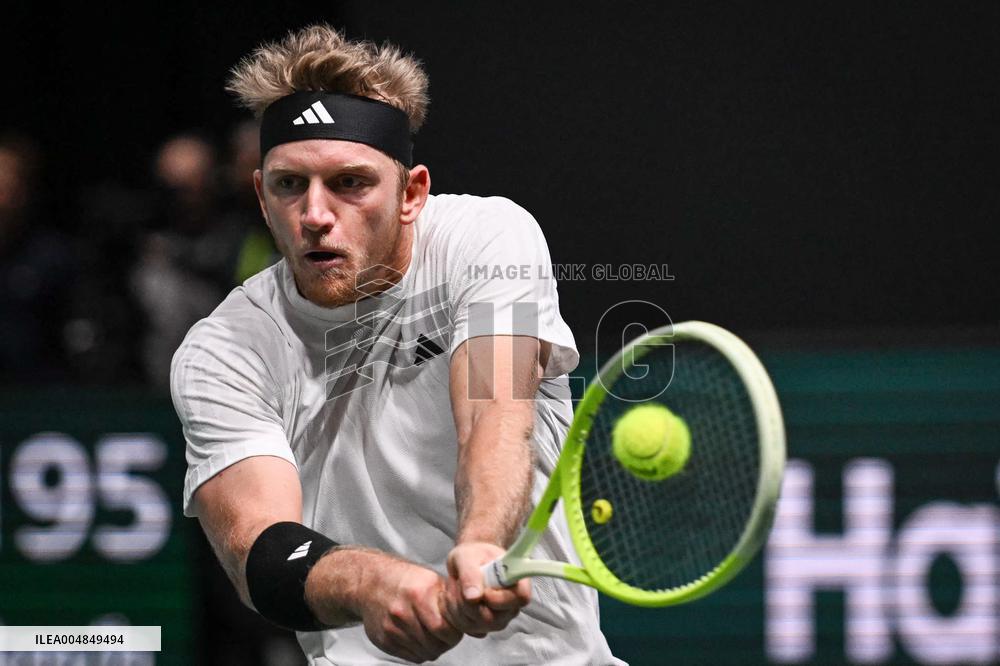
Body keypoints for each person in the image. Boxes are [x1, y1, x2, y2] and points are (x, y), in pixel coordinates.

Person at [171, 25, 622, 665]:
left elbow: (494, 415)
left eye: (350, 183)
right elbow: (257, 549)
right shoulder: (222, 349)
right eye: (289, 184)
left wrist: (483, 542)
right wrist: (371, 582)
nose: (316, 214)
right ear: (261, 197)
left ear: (412, 194)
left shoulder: (489, 239)